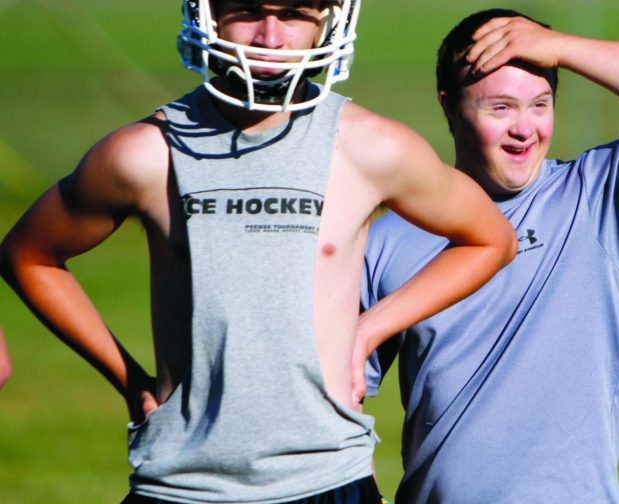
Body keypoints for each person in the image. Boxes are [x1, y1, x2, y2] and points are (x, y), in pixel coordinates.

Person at [0, 1, 516, 503]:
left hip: (327, 473)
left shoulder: (370, 146)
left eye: (293, 13)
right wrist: (129, 380)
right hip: (180, 481)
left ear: (331, 20)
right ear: (207, 15)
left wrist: (370, 329)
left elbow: (490, 238)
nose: (270, 37)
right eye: (247, 10)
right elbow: (29, 255)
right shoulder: (145, 152)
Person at [361, 8, 619, 503]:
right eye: (501, 108)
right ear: (449, 108)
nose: (524, 128)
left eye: (540, 104)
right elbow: (338, 396)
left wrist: (559, 48)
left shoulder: (596, 200)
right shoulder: (390, 238)